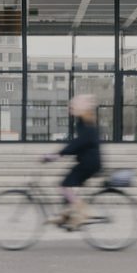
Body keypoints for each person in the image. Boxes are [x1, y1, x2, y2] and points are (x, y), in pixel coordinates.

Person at [43, 93, 106, 228]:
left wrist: (58, 155)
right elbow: (78, 145)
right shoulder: (83, 122)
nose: (71, 108)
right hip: (88, 162)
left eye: (73, 106)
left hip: (89, 163)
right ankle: (66, 215)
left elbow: (78, 143)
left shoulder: (87, 124)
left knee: (64, 186)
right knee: (68, 187)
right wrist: (62, 154)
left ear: (81, 108)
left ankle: (82, 213)